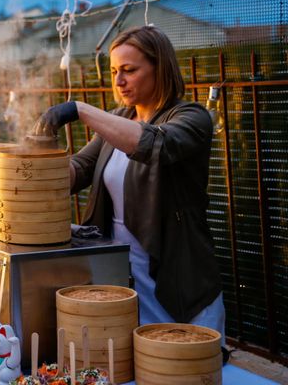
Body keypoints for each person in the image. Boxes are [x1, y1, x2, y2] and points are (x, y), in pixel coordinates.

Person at [34, 25, 225, 339]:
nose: (118, 81)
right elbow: (79, 168)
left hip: (175, 274)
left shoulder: (192, 117)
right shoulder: (121, 118)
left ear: (159, 68)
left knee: (183, 362)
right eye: (113, 71)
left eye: (129, 70)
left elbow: (153, 145)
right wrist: (30, 166)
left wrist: (80, 109)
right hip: (122, 272)